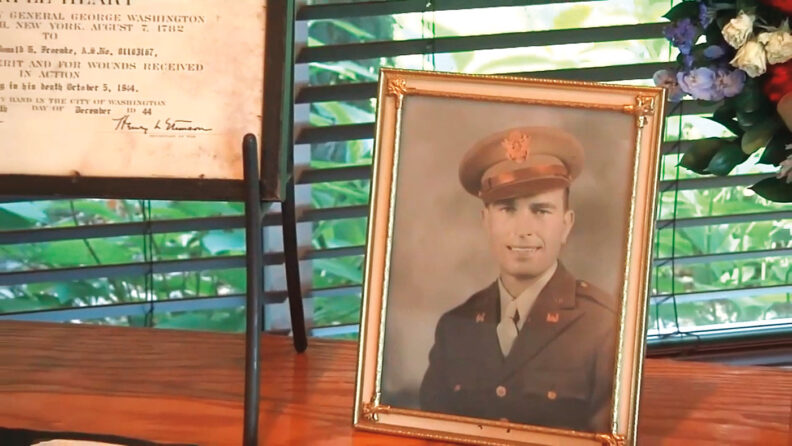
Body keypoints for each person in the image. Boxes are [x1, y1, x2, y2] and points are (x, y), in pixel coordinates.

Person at [419, 126, 617, 433]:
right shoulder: (455, 327)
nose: (523, 230)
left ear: (566, 225)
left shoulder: (605, 326)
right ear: (486, 221)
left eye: (541, 210)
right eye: (507, 209)